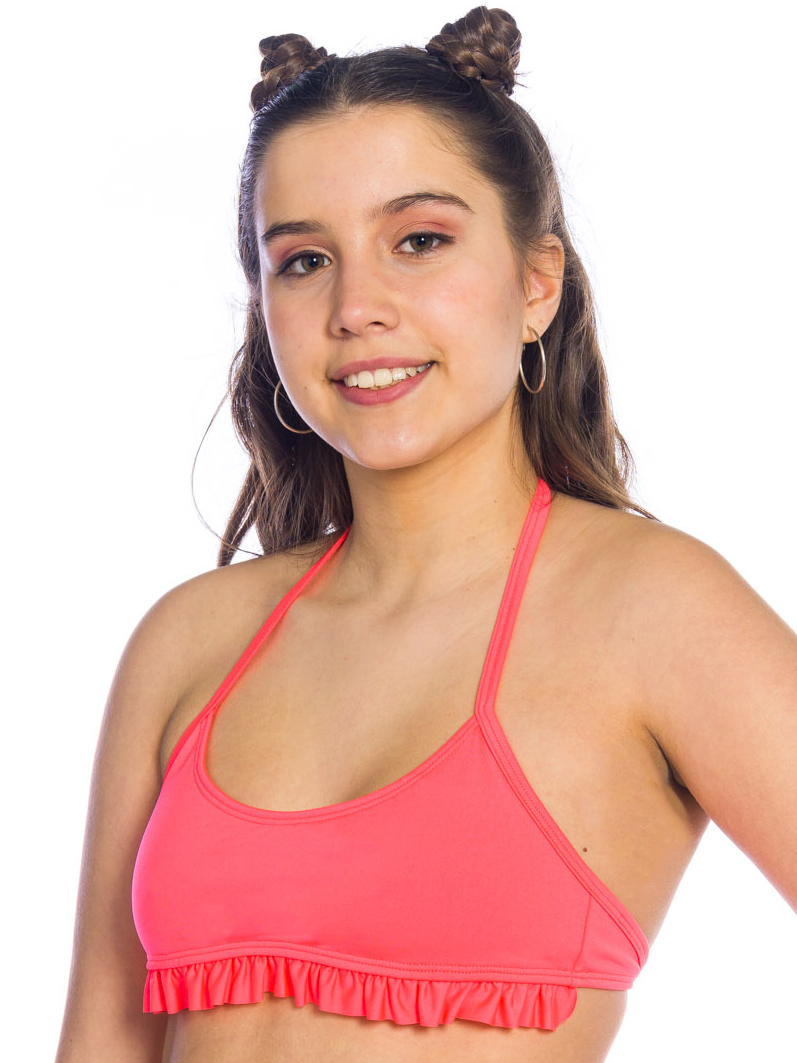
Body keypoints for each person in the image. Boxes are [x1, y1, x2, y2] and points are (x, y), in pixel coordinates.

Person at [55, 7, 797, 1062]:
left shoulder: (652, 611)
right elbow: (97, 1042)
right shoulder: (188, 641)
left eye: (418, 241)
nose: (356, 306)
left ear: (535, 283)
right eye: (303, 260)